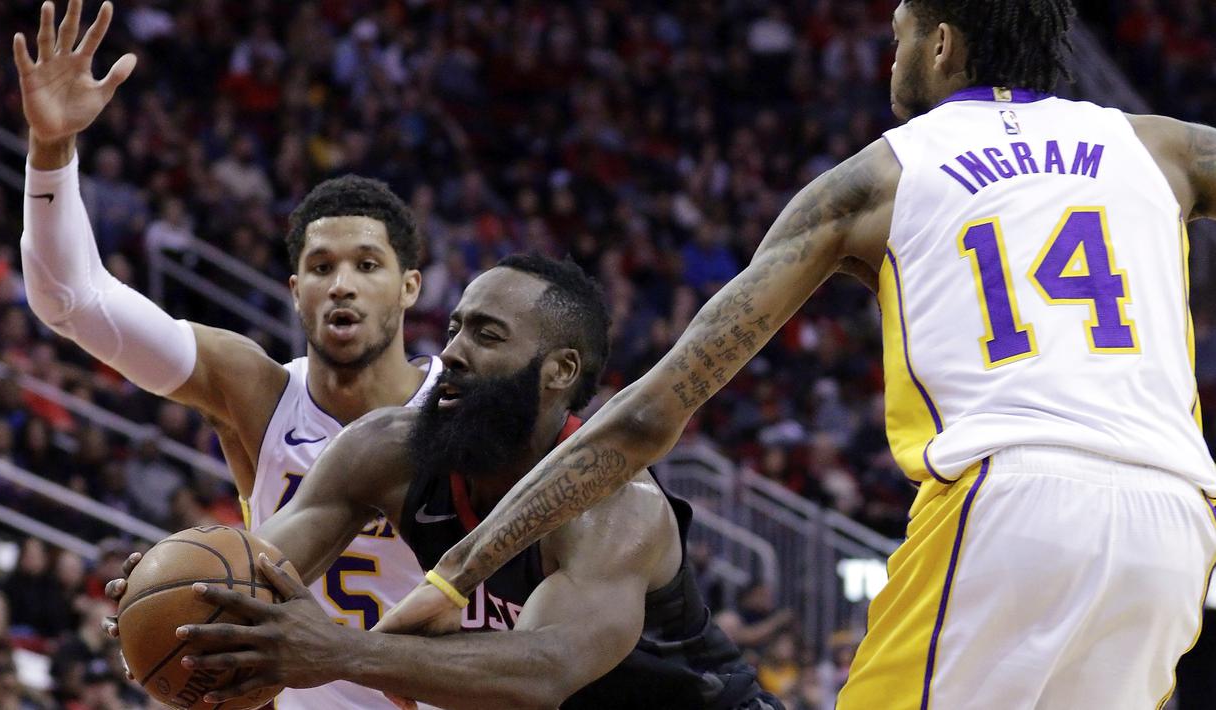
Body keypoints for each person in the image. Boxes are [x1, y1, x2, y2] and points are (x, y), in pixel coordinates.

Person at [380, 1, 1216, 708]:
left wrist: (458, 572)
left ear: (939, 45)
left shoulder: (874, 179)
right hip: (1176, 520)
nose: (889, 60)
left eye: (897, 37)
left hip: (1009, 503)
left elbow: (648, 415)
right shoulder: (1161, 147)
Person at [109, 255, 782, 709]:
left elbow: (544, 672)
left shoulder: (615, 508)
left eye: (487, 335)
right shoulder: (385, 450)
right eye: (455, 328)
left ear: (559, 371)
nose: (452, 351)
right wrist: (181, 603)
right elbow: (262, 571)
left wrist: (344, 651)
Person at [12, 3, 440, 708]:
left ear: (409, 287)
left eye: (368, 265)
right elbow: (72, 299)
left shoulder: (468, 410)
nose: (342, 284)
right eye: (322, 266)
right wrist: (51, 149)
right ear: (295, 291)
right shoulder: (256, 392)